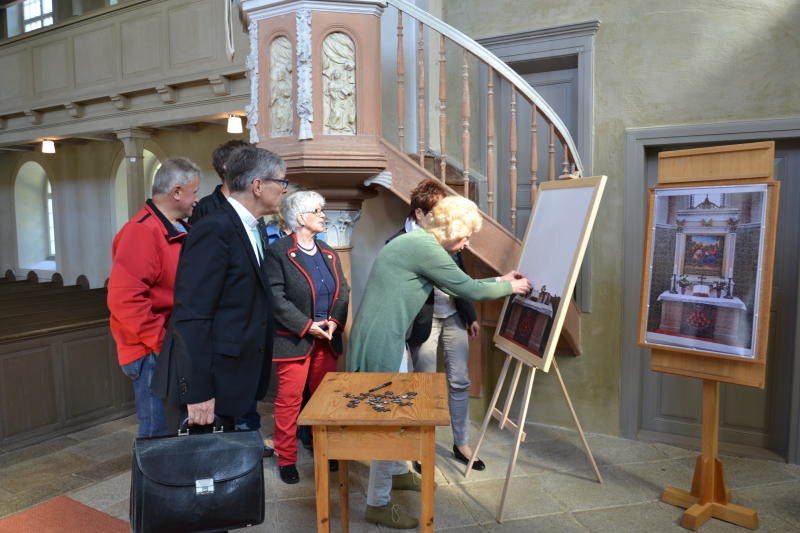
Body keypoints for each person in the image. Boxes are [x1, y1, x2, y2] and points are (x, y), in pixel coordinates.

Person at [348, 195, 531, 529]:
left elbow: (461, 287)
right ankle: (377, 502)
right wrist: (510, 287)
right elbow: (468, 289)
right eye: (465, 236)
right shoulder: (425, 248)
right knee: (388, 421)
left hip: (388, 336)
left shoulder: (418, 241)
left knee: (396, 413)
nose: (466, 243)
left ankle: (399, 473)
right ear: (449, 229)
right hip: (382, 341)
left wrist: (503, 281)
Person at [152, 147, 289, 433]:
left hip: (230, 376)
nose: (285, 190)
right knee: (200, 473)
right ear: (258, 186)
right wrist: (198, 391)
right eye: (282, 183)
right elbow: (191, 315)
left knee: (223, 470)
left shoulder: (249, 226)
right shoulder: (215, 228)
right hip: (209, 381)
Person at [387, 179, 486, 473]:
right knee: (424, 384)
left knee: (460, 380)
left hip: (454, 315)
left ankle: (461, 443)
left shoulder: (448, 234)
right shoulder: (397, 243)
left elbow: (460, 275)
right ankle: (421, 447)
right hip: (423, 321)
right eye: (435, 212)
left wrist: (470, 315)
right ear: (419, 214)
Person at [107, 157, 201, 438]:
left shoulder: (177, 226)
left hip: (171, 343)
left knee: (176, 429)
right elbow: (125, 300)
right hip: (150, 349)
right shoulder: (142, 231)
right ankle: (152, 483)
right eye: (194, 192)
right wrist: (161, 343)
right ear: (176, 192)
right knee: (156, 433)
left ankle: (173, 481)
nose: (197, 199)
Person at [264, 190, 349, 484]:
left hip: (327, 338)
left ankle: (324, 448)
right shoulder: (278, 253)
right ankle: (287, 458)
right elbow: (275, 299)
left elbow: (343, 292)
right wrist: (306, 325)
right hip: (294, 338)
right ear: (301, 218)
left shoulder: (328, 251)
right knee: (289, 402)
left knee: (325, 400)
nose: (323, 215)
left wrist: (335, 322)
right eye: (318, 210)